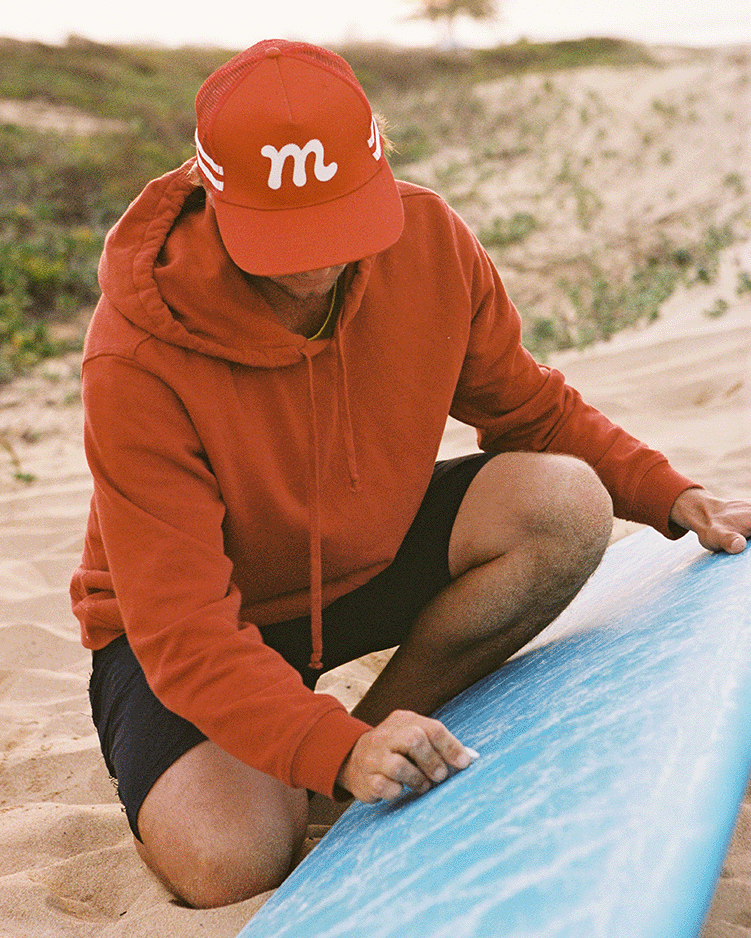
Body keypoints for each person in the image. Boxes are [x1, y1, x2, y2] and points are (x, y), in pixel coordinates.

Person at [70, 38, 751, 909]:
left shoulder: (427, 238)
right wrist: (321, 744)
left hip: (362, 561)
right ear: (212, 193)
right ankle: (340, 755)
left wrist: (670, 493)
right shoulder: (135, 354)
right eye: (281, 240)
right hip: (196, 620)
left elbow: (528, 408)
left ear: (377, 163)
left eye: (336, 226)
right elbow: (182, 631)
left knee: (563, 499)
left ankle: (363, 740)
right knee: (232, 860)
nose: (315, 266)